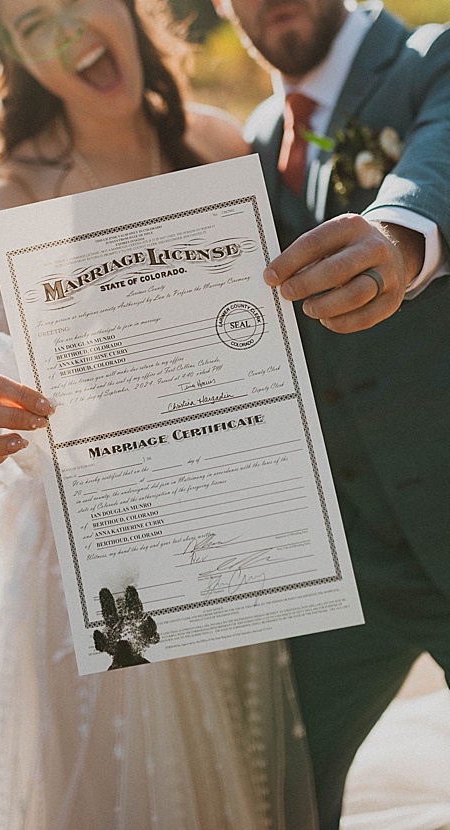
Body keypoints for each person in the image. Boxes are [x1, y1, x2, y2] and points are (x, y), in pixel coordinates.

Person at [0, 0, 320, 826]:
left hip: (227, 538)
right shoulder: (10, 195)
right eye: (31, 24)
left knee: (228, 781)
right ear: (16, 59)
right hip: (96, 571)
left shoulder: (217, 143)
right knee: (114, 789)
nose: (65, 31)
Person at [214, 0, 450, 825]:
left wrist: (398, 237)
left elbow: (438, 161)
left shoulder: (433, 58)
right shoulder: (248, 137)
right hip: (340, 566)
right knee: (276, 792)